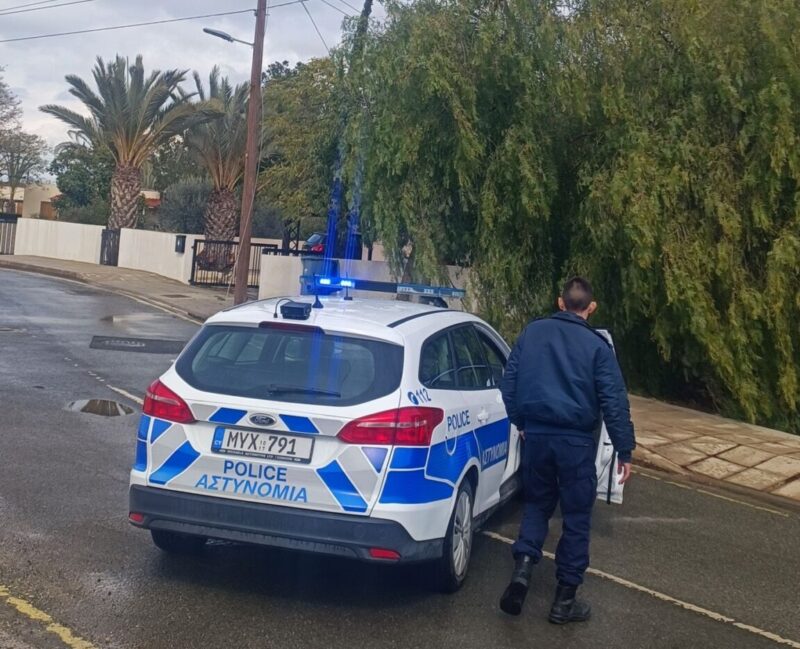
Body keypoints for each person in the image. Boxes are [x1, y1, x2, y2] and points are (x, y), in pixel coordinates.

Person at [498, 276, 635, 624]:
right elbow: (614, 402)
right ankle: (564, 602)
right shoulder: (597, 348)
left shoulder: (532, 333)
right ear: (592, 307)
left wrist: (521, 422)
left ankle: (521, 575)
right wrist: (624, 450)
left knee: (536, 506)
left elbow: (508, 383)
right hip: (576, 443)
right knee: (576, 518)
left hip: (537, 437)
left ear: (560, 303)